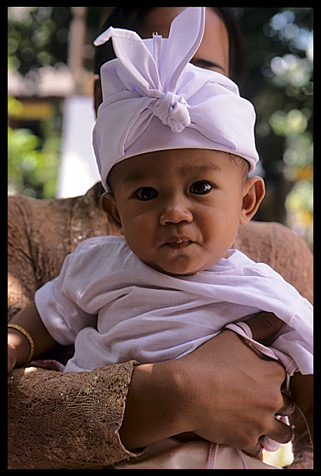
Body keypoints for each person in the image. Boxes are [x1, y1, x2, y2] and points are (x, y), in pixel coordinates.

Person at [8, 7, 312, 470]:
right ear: (115, 209)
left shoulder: (263, 285)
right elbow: (48, 317)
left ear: (248, 200)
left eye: (200, 188)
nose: (173, 211)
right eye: (147, 193)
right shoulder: (91, 261)